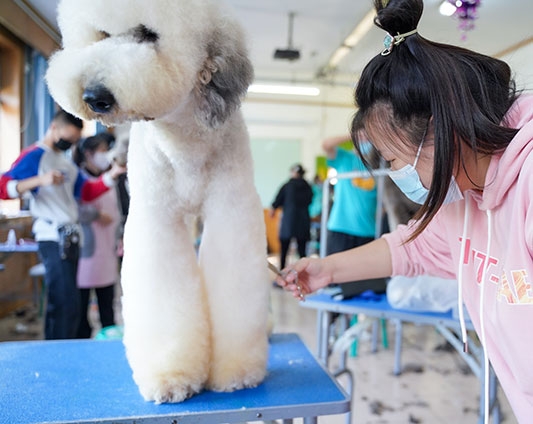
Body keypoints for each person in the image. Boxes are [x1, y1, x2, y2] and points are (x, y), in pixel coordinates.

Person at [276, 0, 533, 421]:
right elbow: (412, 248)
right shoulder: (464, 196)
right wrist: (327, 270)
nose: (395, 173)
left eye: (393, 160)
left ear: (438, 130)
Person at [0, 110, 125, 340]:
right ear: (54, 128)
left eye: (74, 140)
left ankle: (63, 347)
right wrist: (40, 180)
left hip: (71, 237)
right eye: (68, 138)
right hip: (52, 236)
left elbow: (86, 191)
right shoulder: (35, 156)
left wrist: (113, 175)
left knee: (71, 303)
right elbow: (3, 188)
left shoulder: (65, 163)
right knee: (63, 303)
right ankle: (57, 351)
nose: (70, 143)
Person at [73, 134, 121, 338]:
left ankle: (109, 338)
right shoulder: (78, 178)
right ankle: (82, 342)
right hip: (86, 250)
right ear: (88, 153)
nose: (106, 155)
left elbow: (119, 208)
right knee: (80, 308)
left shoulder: (110, 178)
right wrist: (97, 215)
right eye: (102, 150)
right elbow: (75, 207)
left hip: (108, 248)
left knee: (107, 306)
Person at [322, 135, 378, 256]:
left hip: (368, 231)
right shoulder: (345, 158)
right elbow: (326, 145)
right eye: (361, 136)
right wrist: (352, 135)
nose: (364, 140)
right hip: (340, 228)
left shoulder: (379, 165)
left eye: (368, 137)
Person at [269, 164, 313, 270]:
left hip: (289, 221)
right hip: (303, 221)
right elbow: (310, 201)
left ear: (294, 172)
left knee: (284, 249)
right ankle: (303, 272)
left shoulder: (287, 186)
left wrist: (273, 209)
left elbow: (277, 201)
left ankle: (282, 271)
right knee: (302, 251)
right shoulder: (307, 186)